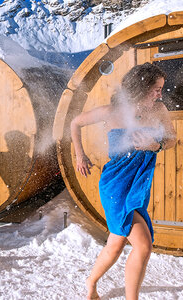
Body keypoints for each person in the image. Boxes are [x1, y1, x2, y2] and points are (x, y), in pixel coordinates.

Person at [70, 63, 176, 299]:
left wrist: (156, 145)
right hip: (116, 186)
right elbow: (75, 122)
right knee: (143, 246)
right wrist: (80, 155)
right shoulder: (112, 111)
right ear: (141, 87)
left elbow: (172, 140)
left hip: (138, 186)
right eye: (156, 89)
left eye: (161, 89)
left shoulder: (159, 111)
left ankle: (91, 283)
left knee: (115, 245)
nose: (160, 94)